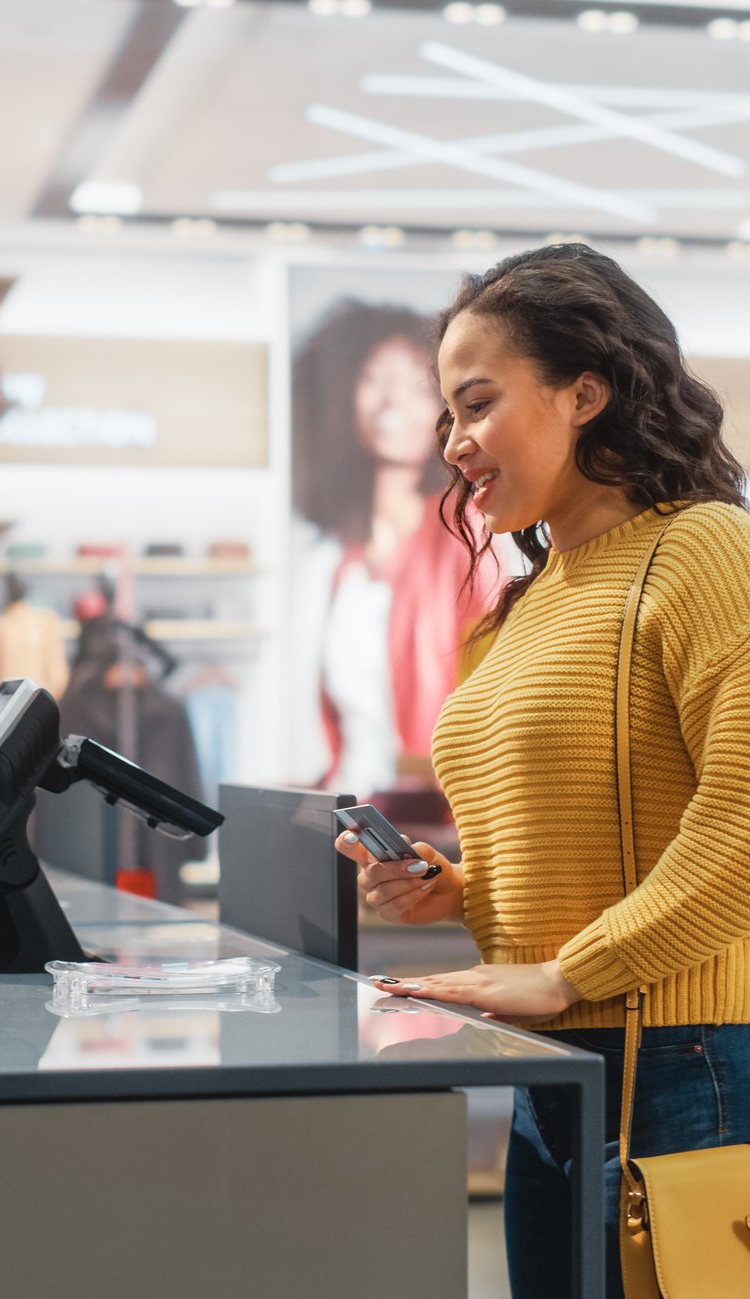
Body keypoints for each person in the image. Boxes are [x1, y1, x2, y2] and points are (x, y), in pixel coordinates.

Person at [336, 244, 750, 1297]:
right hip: (560, 1055)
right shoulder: (524, 606)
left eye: (477, 404)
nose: (456, 443)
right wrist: (458, 891)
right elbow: (601, 839)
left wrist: (570, 971)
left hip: (683, 1053)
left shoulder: (703, 550)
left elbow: (740, 818)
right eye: (448, 417)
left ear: (585, 392)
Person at [288, 299, 501, 795]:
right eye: (373, 380)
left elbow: (487, 694)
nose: (391, 404)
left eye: (415, 385)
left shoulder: (467, 536)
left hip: (434, 816)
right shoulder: (334, 562)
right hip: (352, 811)